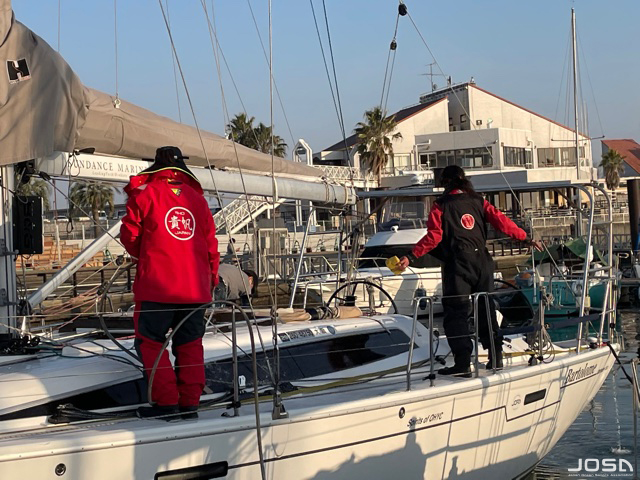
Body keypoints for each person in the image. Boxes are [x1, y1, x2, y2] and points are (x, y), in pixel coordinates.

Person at [398, 165, 542, 377]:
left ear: (445, 183)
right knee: (486, 308)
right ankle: (496, 357)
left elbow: (434, 237)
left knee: (457, 313)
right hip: (483, 262)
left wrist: (410, 256)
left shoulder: (440, 206)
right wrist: (525, 238)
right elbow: (502, 222)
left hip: (458, 264)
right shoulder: (479, 201)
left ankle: (463, 363)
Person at [121, 146, 219, 420]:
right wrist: (210, 278)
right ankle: (190, 403)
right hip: (195, 290)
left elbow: (130, 236)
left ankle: (166, 403)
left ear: (156, 165)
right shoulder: (198, 200)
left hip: (158, 287)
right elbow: (211, 245)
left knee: (150, 343)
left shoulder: (145, 194)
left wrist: (148, 253)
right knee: (190, 345)